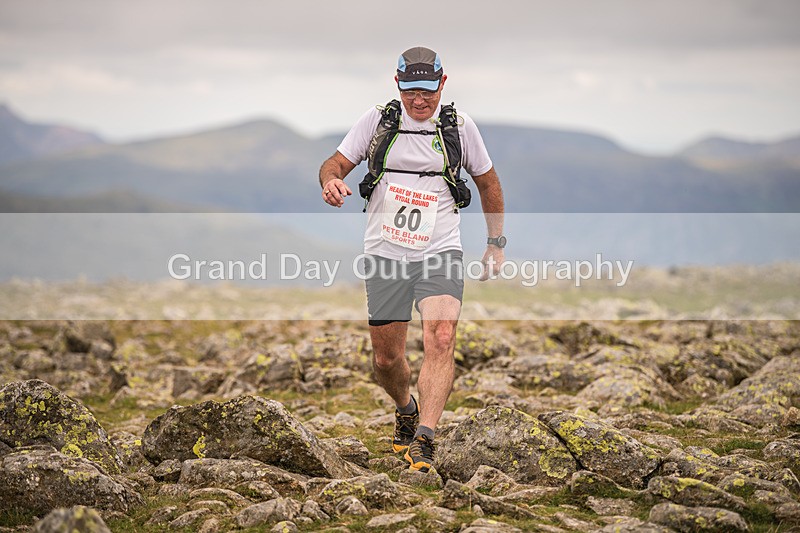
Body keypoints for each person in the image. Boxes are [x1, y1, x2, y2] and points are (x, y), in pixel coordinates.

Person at [318, 46, 505, 472]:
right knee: (386, 358)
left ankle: (425, 438)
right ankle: (405, 408)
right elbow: (335, 163)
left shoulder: (459, 127)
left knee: (441, 336)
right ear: (398, 84)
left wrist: (497, 242)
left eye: (427, 91)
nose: (419, 100)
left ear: (442, 84)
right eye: (410, 91)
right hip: (385, 253)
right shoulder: (378, 121)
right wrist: (330, 181)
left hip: (440, 249)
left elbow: (488, 182)